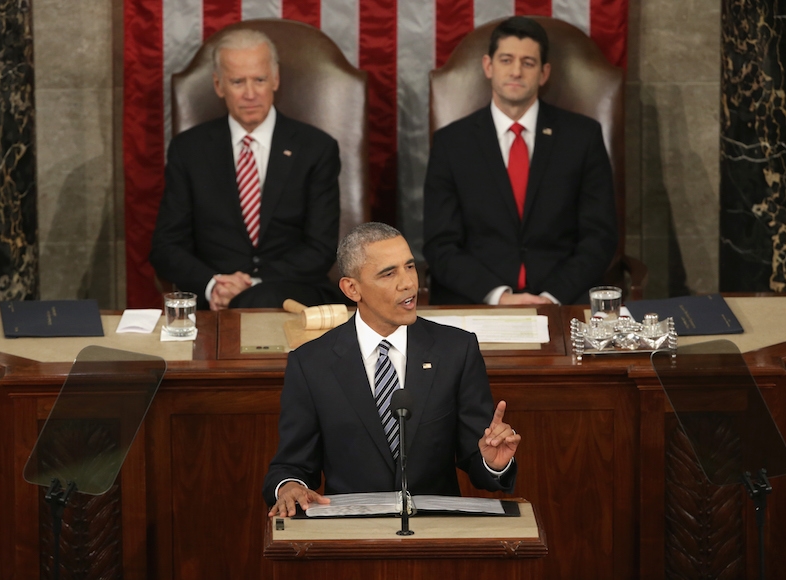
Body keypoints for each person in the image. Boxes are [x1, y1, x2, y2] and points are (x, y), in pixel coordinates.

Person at [264, 222, 519, 517]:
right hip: (351, 536)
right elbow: (291, 466)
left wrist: (494, 462)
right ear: (352, 288)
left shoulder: (456, 350)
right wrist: (289, 487)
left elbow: (479, 458)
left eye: (410, 267)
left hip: (437, 534)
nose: (408, 283)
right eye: (389, 273)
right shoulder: (311, 363)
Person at [423, 16, 617, 306]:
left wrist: (552, 298)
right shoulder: (451, 143)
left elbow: (599, 237)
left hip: (565, 300)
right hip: (478, 301)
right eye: (506, 60)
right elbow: (441, 245)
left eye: (528, 63)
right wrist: (498, 296)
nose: (516, 71)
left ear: (543, 73)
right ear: (488, 66)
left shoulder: (583, 137)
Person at [150, 29, 342, 310]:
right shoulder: (188, 150)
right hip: (214, 299)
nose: (250, 94)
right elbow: (166, 247)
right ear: (218, 85)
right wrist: (213, 285)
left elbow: (320, 248)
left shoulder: (316, 148)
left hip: (292, 294)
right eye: (238, 82)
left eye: (259, 80)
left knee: (260, 300)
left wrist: (250, 286)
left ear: (275, 80)